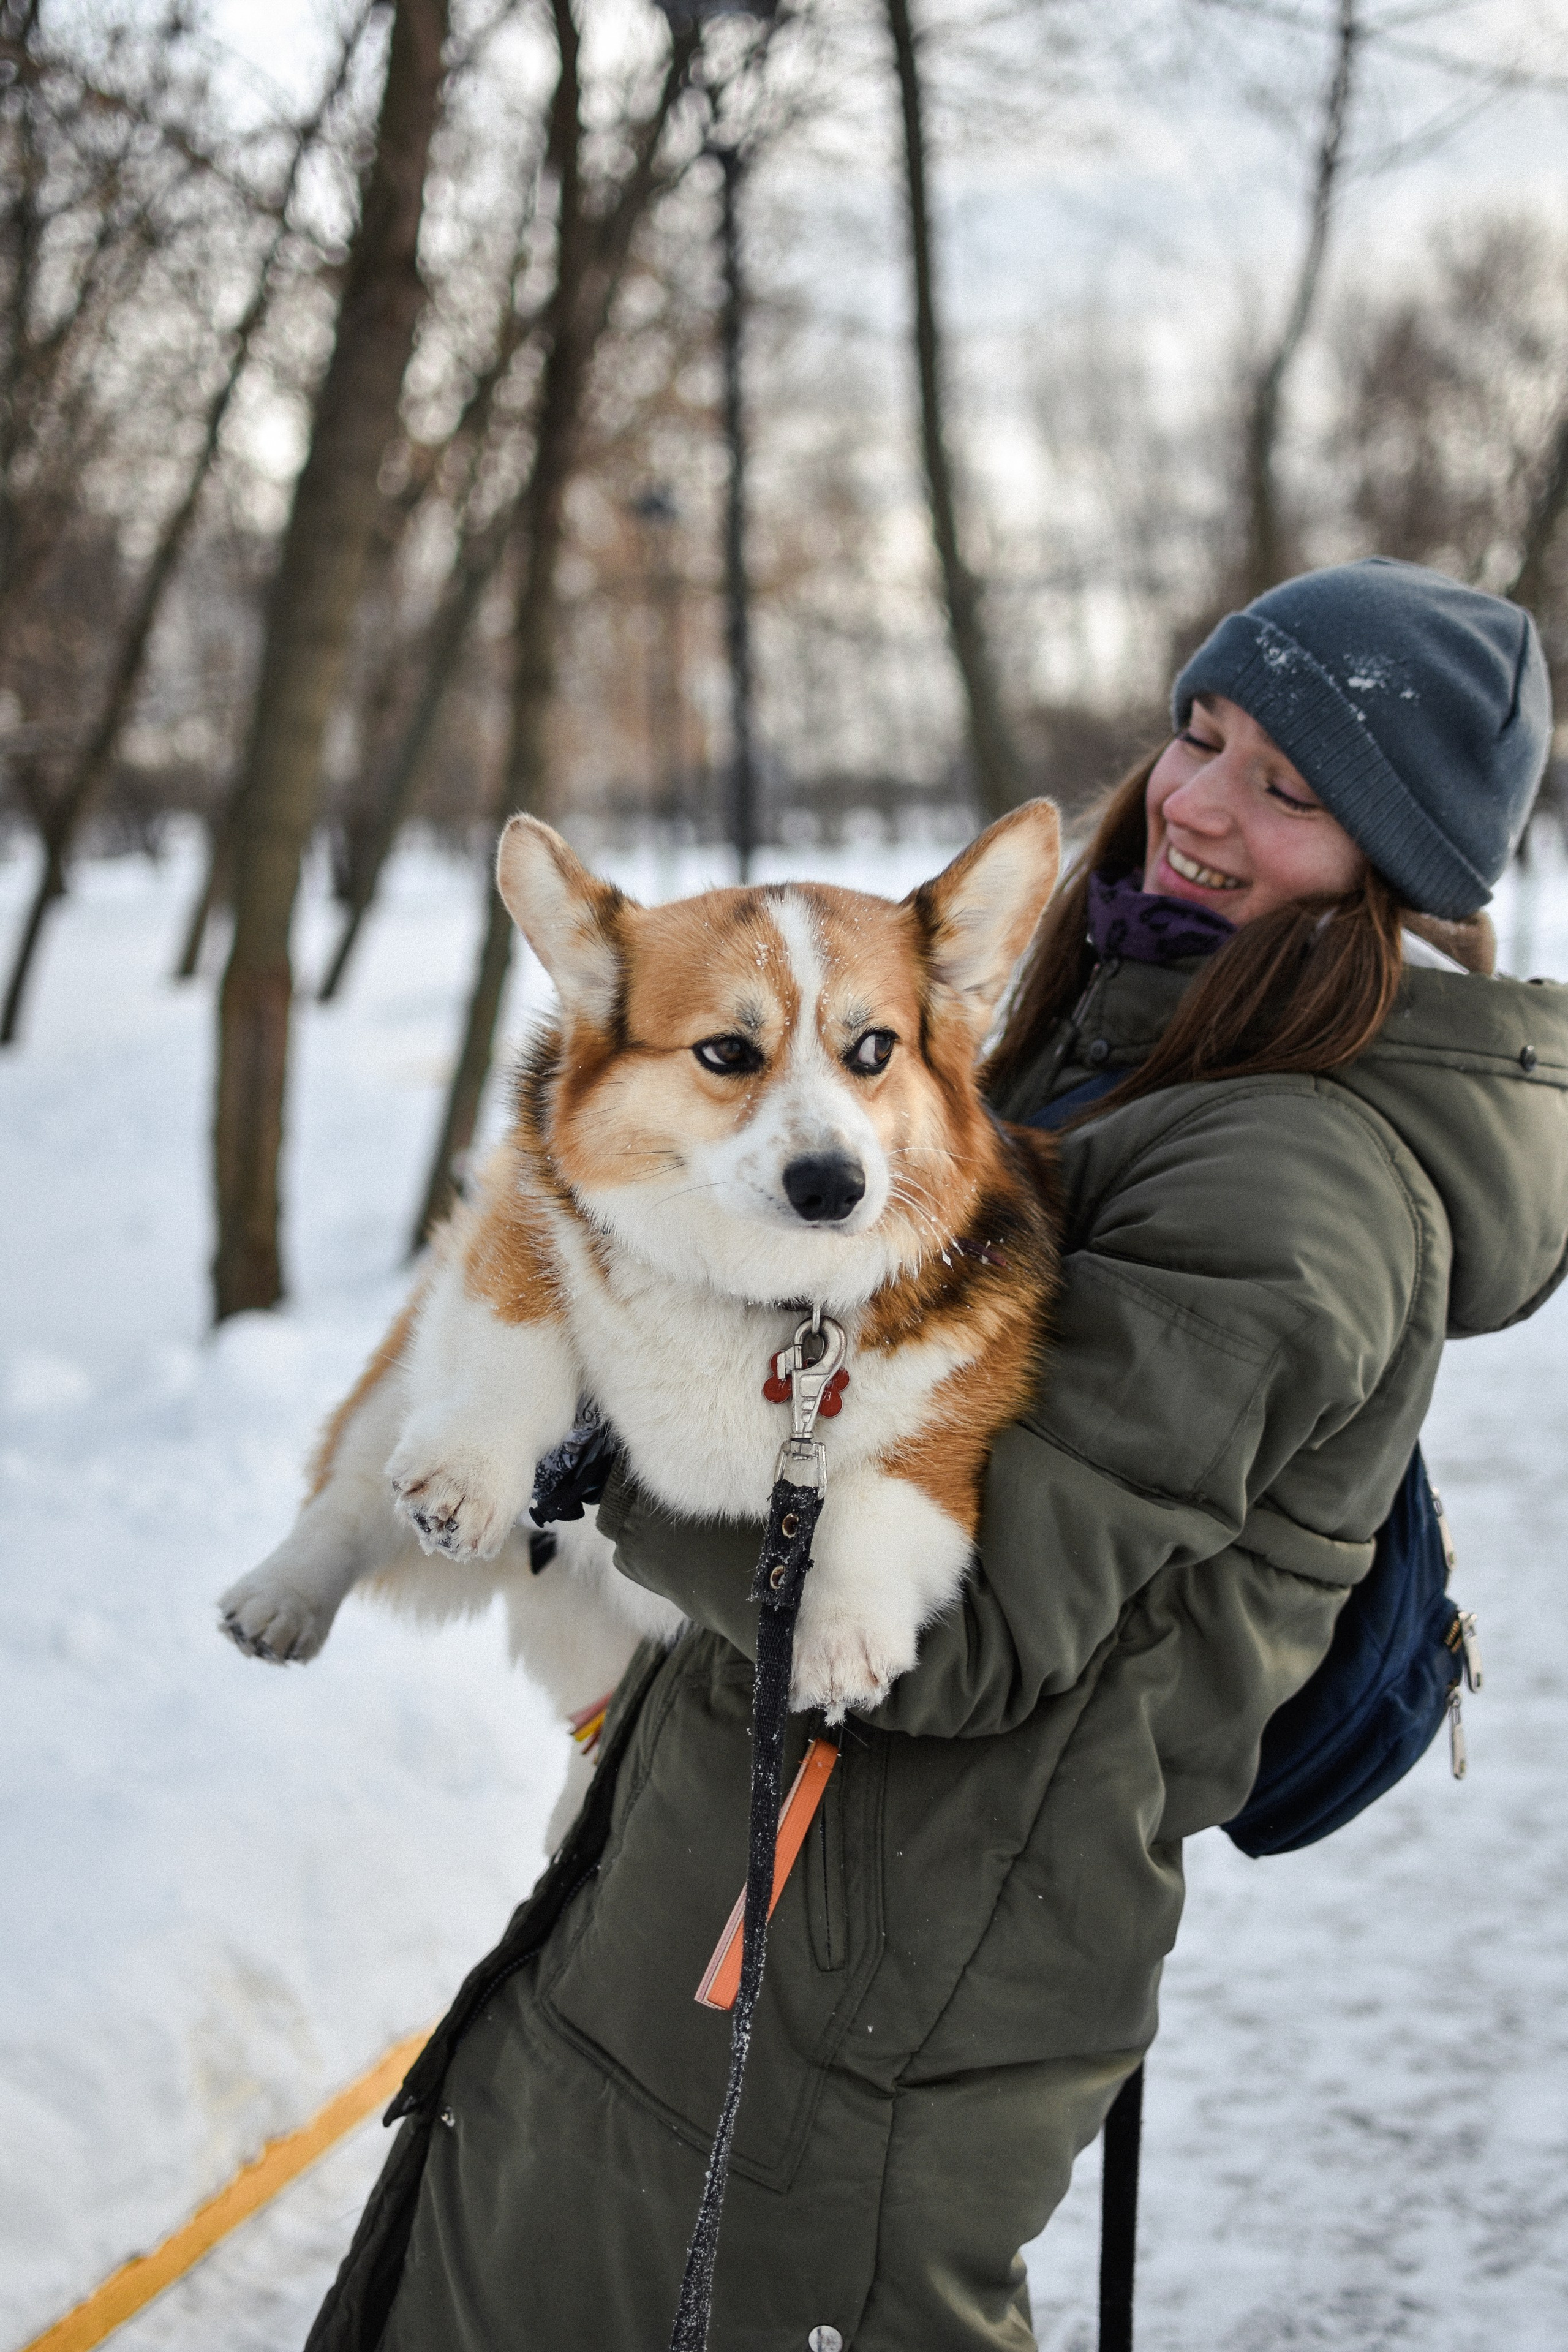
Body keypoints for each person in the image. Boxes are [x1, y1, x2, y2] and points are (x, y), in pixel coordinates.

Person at [308, 559, 1568, 2352]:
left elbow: (954, 1636)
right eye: (1201, 735)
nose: (1200, 808)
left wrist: (619, 1430)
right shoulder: (1121, 1043)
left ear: (1403, 858)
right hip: (754, 1925)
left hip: (856, 2015)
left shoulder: (1299, 1183)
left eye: (1294, 790)